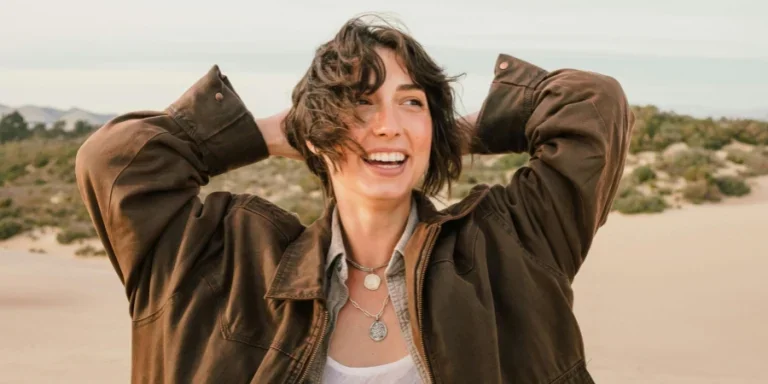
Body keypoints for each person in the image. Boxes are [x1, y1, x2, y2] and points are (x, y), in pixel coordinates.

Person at [75, 15, 633, 384]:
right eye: (361, 104)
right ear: (315, 130)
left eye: (410, 102)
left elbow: (594, 105)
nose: (388, 125)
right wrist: (281, 133)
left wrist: (437, 131)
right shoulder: (221, 264)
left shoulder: (510, 246)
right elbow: (115, 161)